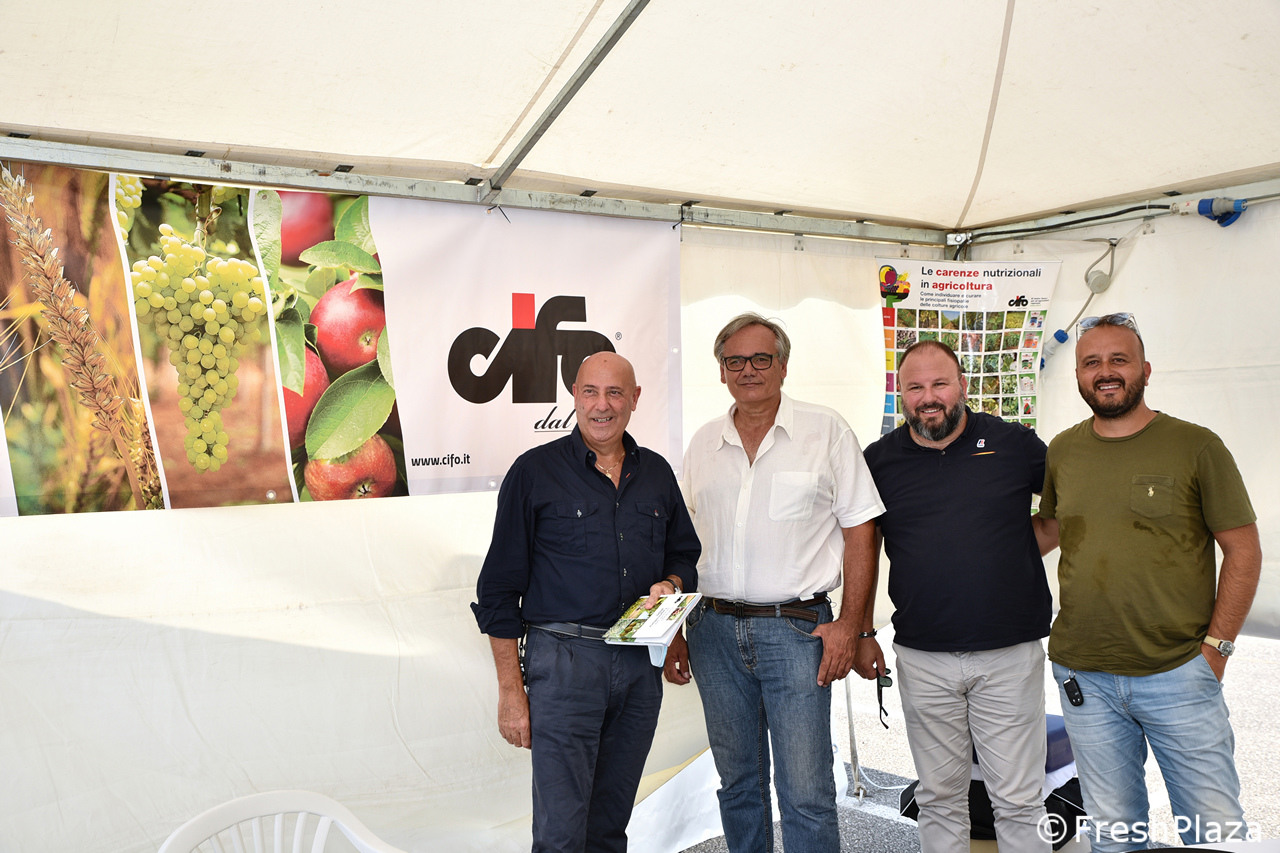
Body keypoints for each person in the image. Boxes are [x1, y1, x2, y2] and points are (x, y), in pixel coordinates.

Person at [1036, 313, 1262, 852]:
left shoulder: (1196, 446)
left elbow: (1244, 550)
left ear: (1146, 369)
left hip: (1179, 671)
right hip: (1085, 676)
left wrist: (1217, 649)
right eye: (1091, 362)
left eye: (1119, 359)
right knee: (1114, 832)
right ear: (1078, 374)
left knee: (1214, 832)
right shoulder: (1063, 450)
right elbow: (1048, 531)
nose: (1105, 372)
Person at [664, 313, 884, 852]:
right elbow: (679, 543)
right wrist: (674, 629)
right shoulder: (703, 444)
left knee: (806, 792)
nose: (748, 370)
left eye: (761, 358)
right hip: (712, 631)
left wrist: (851, 626)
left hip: (799, 632)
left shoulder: (825, 431)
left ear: (783, 366)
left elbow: (862, 530)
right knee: (738, 785)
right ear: (721, 371)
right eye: (734, 360)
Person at [471, 351, 701, 853]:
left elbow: (684, 553)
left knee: (609, 828)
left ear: (635, 399)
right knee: (560, 835)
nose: (603, 405)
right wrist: (511, 692)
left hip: (638, 666)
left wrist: (671, 586)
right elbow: (498, 591)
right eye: (591, 392)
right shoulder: (535, 473)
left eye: (615, 392)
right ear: (574, 396)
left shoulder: (656, 473)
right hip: (564, 665)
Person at [861, 340, 1052, 853]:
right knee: (939, 799)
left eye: (940, 384)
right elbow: (862, 548)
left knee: (1019, 800)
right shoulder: (878, 461)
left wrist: (1012, 547)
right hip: (923, 656)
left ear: (963, 386)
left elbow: (1064, 511)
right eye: (915, 387)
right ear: (900, 394)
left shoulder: (1014, 443)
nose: (929, 397)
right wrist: (860, 630)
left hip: (1008, 653)